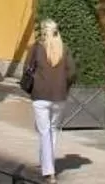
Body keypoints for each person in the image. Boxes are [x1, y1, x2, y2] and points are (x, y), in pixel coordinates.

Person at [19, 18, 74, 182]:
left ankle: (48, 171)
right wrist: (64, 85)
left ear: (44, 32)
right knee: (52, 131)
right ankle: (47, 166)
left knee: (44, 132)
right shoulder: (64, 48)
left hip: (40, 96)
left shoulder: (37, 47)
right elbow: (72, 72)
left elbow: (26, 69)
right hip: (59, 97)